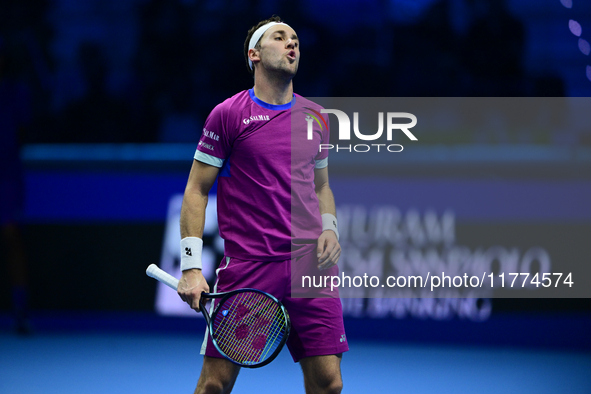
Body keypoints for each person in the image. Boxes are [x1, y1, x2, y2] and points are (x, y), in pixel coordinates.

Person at [176, 15, 348, 394]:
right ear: (254, 54)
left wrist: (330, 228)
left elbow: (321, 187)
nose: (292, 44)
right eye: (280, 37)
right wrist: (191, 266)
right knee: (214, 387)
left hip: (310, 268)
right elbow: (196, 190)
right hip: (251, 268)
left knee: (329, 384)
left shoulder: (317, 118)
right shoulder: (228, 115)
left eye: (296, 40)